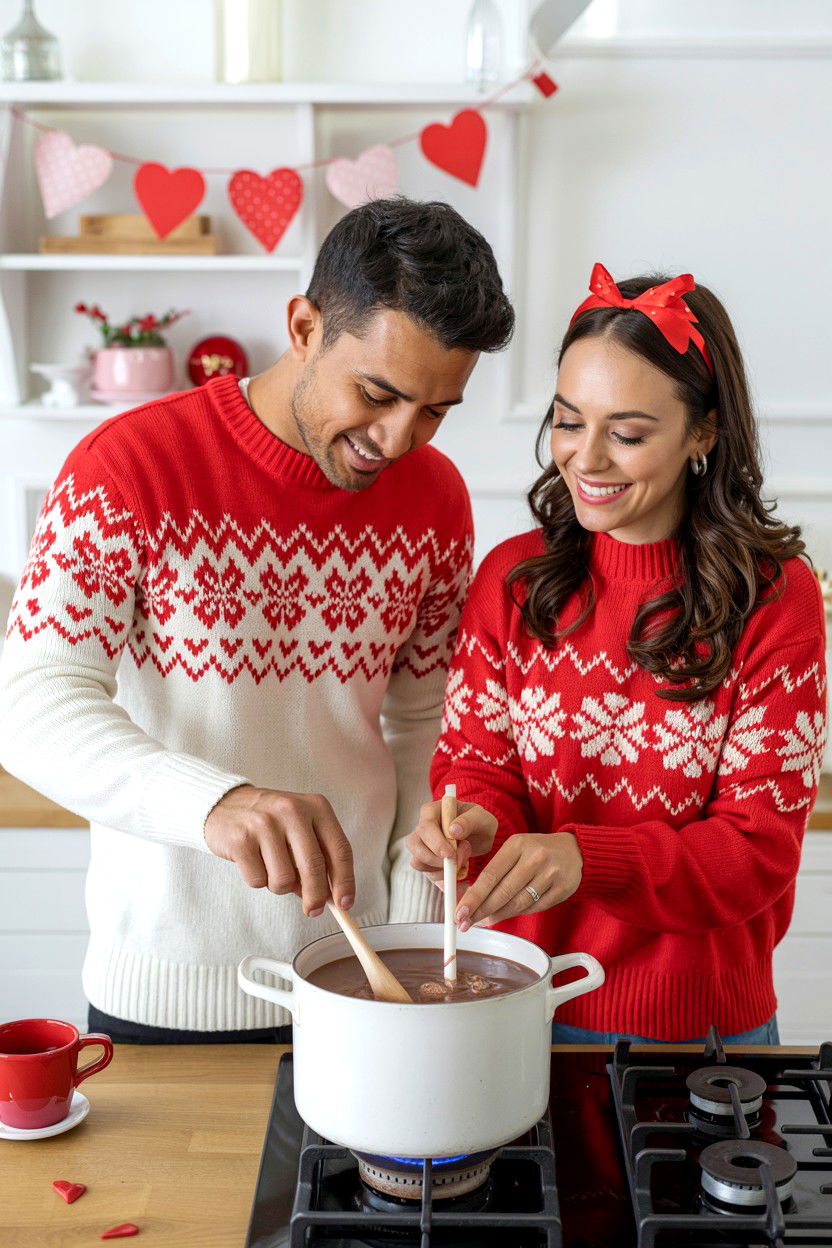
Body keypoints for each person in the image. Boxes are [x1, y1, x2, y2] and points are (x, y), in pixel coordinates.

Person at [0, 198, 514, 1043]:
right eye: (377, 393)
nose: (397, 439)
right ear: (305, 326)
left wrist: (422, 930)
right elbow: (32, 706)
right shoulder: (126, 468)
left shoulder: (436, 498)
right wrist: (218, 803)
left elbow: (427, 721)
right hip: (165, 995)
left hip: (366, 986)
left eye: (434, 410)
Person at [406, 263, 826, 1044]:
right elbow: (479, 770)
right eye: (568, 421)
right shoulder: (512, 579)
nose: (586, 459)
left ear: (703, 432)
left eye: (627, 434)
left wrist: (586, 858)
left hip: (701, 1037)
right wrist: (467, 824)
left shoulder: (775, 598)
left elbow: (756, 850)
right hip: (516, 1011)